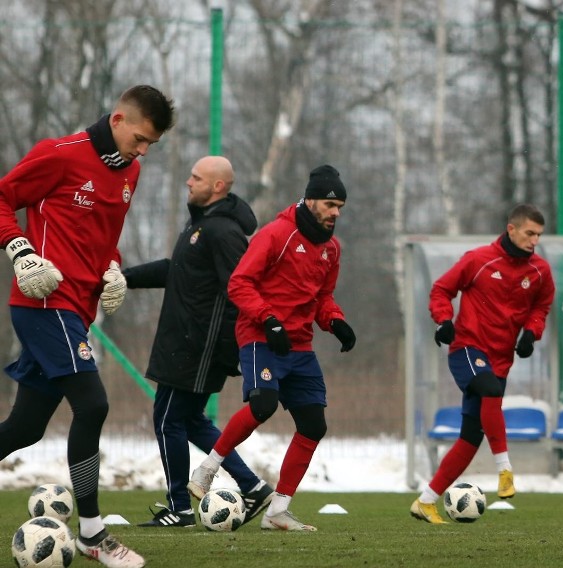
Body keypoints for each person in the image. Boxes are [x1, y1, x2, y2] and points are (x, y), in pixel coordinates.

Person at [0, 85, 175, 568]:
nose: (142, 151)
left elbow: (105, 237)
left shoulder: (130, 172)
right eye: (139, 138)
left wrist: (113, 267)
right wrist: (20, 251)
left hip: (77, 309)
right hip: (43, 304)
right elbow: (2, 197)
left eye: (150, 145)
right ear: (117, 119)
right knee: (93, 404)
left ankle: (93, 535)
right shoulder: (58, 155)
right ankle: (94, 535)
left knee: (25, 428)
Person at [187, 164, 357, 532]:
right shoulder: (276, 234)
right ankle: (206, 469)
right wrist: (268, 319)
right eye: (330, 204)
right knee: (262, 404)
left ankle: (277, 510)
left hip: (300, 346)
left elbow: (323, 298)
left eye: (340, 206)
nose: (335, 213)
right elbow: (239, 284)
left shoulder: (331, 249)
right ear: (310, 200)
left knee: (313, 425)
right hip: (260, 336)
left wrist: (335, 321)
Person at [122, 156, 274, 528]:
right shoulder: (201, 226)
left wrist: (229, 347)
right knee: (189, 420)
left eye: (196, 177)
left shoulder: (223, 232)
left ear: (218, 186)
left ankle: (180, 507)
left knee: (168, 419)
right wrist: (121, 278)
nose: (188, 182)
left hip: (199, 345)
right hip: (185, 340)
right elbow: (175, 270)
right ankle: (251, 486)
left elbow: (240, 289)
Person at [410, 203, 555, 524]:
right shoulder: (478, 260)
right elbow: (441, 290)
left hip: (501, 360)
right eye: (529, 233)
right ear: (511, 229)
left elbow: (541, 308)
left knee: (470, 438)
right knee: (488, 389)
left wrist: (531, 334)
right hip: (467, 349)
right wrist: (444, 320)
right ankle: (505, 471)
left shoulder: (540, 272)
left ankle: (426, 501)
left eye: (539, 235)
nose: (534, 240)